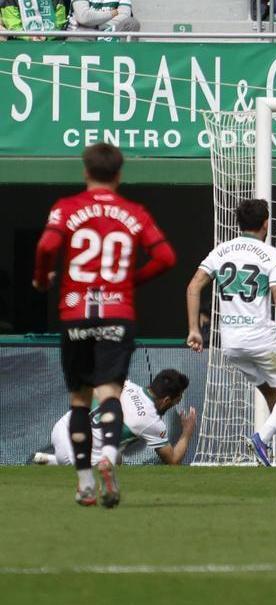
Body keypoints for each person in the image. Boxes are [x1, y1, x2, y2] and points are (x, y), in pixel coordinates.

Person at [33, 143, 176, 507]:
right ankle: (109, 456)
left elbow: (47, 245)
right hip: (117, 313)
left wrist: (41, 280)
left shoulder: (66, 208)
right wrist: (131, 282)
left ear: (86, 172)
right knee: (110, 394)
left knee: (81, 401)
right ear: (119, 174)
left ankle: (84, 482)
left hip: (76, 313)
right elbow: (166, 257)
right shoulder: (134, 212)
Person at [185, 198, 276, 468]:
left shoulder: (221, 250)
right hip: (262, 340)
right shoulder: (270, 254)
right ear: (266, 224)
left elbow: (193, 287)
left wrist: (194, 329)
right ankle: (261, 438)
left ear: (239, 223)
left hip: (231, 345)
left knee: (275, 397)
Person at [35, 370, 195, 467]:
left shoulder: (126, 384)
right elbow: (173, 461)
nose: (177, 402)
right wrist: (187, 432)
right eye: (177, 399)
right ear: (166, 400)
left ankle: (50, 459)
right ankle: (58, 461)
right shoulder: (152, 421)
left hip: (63, 425)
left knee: (116, 458)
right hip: (74, 450)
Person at [1, 0, 67, 39]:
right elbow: (12, 23)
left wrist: (47, 36)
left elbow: (60, 21)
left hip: (52, 44)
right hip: (21, 43)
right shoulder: (9, 1)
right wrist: (30, 37)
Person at [69, 0, 139, 32]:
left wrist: (99, 27)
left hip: (110, 32)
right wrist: (113, 13)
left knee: (132, 23)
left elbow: (124, 15)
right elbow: (84, 17)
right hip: (83, 33)